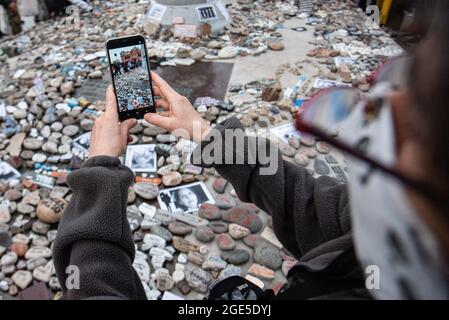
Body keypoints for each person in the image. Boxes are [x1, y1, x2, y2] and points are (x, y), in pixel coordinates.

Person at [53, 1, 449, 300]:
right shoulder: (387, 231)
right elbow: (305, 203)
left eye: (417, 105)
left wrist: (100, 173)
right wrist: (203, 131)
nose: (384, 104)